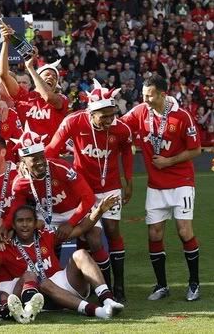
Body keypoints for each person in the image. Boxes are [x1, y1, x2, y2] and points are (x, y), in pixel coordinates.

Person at [45, 79, 134, 301]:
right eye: (103, 116)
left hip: (111, 185)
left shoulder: (121, 129)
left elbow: (127, 151)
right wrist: (66, 175)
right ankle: (99, 286)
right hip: (82, 188)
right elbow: (51, 152)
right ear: (91, 112)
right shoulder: (73, 122)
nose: (109, 120)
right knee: (90, 235)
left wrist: (128, 180)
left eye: (112, 114)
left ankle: (118, 286)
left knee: (112, 231)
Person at [0, 197, 124, 321]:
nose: (25, 225)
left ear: (35, 222)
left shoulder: (46, 235)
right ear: (13, 225)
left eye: (29, 220)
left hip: (65, 283)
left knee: (81, 254)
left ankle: (108, 299)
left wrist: (99, 211)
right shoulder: (7, 247)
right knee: (41, 281)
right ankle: (97, 311)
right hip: (41, 295)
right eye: (20, 221)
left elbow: (81, 229)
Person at [120, 74, 201, 301]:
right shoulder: (140, 112)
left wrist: (169, 161)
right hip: (156, 185)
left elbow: (196, 150)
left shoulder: (182, 116)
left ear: (162, 94)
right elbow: (119, 124)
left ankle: (194, 284)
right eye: (143, 94)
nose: (144, 99)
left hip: (181, 183)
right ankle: (161, 286)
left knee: (184, 231)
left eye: (149, 95)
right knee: (154, 234)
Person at [9, 129, 96, 249]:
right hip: (48, 216)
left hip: (75, 210)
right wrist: (4, 227)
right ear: (23, 162)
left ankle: (88, 256)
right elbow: (16, 210)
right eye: (34, 160)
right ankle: (52, 259)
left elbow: (89, 198)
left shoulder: (61, 167)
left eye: (42, 157)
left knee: (94, 238)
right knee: (36, 238)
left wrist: (71, 223)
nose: (40, 162)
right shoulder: (20, 183)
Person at [0, 23, 69, 144]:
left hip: (50, 156)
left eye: (54, 77)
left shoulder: (62, 100)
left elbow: (48, 96)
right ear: (37, 80)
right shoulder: (23, 97)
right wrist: (5, 42)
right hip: (26, 155)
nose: (50, 77)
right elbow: (3, 75)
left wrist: (30, 68)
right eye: (47, 74)